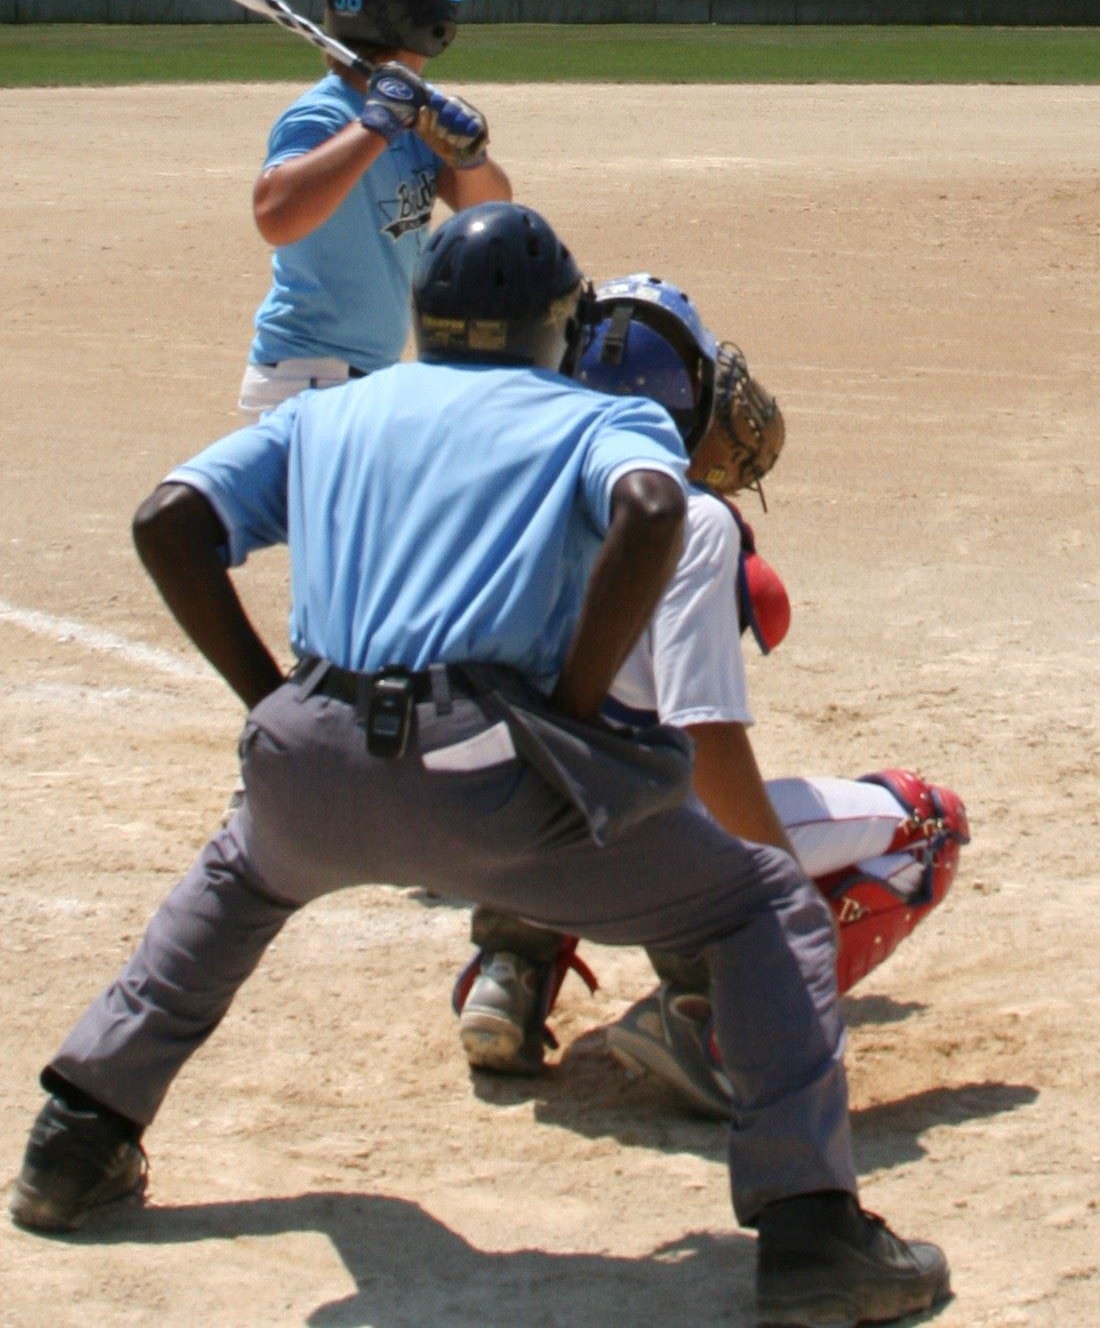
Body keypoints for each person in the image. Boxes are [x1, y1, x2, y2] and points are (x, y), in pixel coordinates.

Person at [7, 205, 950, 1328]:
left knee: (240, 879)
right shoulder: (589, 416)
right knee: (759, 905)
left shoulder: (334, 410)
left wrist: (272, 704)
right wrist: (576, 704)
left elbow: (169, 518)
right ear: (557, 326)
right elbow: (654, 507)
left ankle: (77, 1139)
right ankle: (812, 1231)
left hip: (312, 751)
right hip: (496, 768)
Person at [452, 275, 969, 1120]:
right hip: (637, 862)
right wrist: (781, 915)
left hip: (495, 848)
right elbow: (707, 747)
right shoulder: (691, 524)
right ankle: (714, 1027)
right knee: (926, 824)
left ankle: (509, 971)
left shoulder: (507, 496)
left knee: (551, 752)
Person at [239, 0, 512, 415]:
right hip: (309, 377)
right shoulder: (323, 115)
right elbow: (274, 216)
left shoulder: (414, 111)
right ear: (431, 27)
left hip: (358, 376)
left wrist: (468, 158)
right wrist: (376, 126)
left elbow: (491, 213)